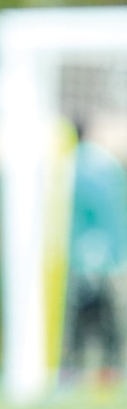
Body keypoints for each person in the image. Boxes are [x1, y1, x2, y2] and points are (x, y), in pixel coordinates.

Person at [59, 116, 127, 392]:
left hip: (86, 256)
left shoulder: (73, 166)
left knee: (83, 315)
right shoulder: (105, 163)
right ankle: (108, 369)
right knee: (108, 314)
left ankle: (76, 370)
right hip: (111, 254)